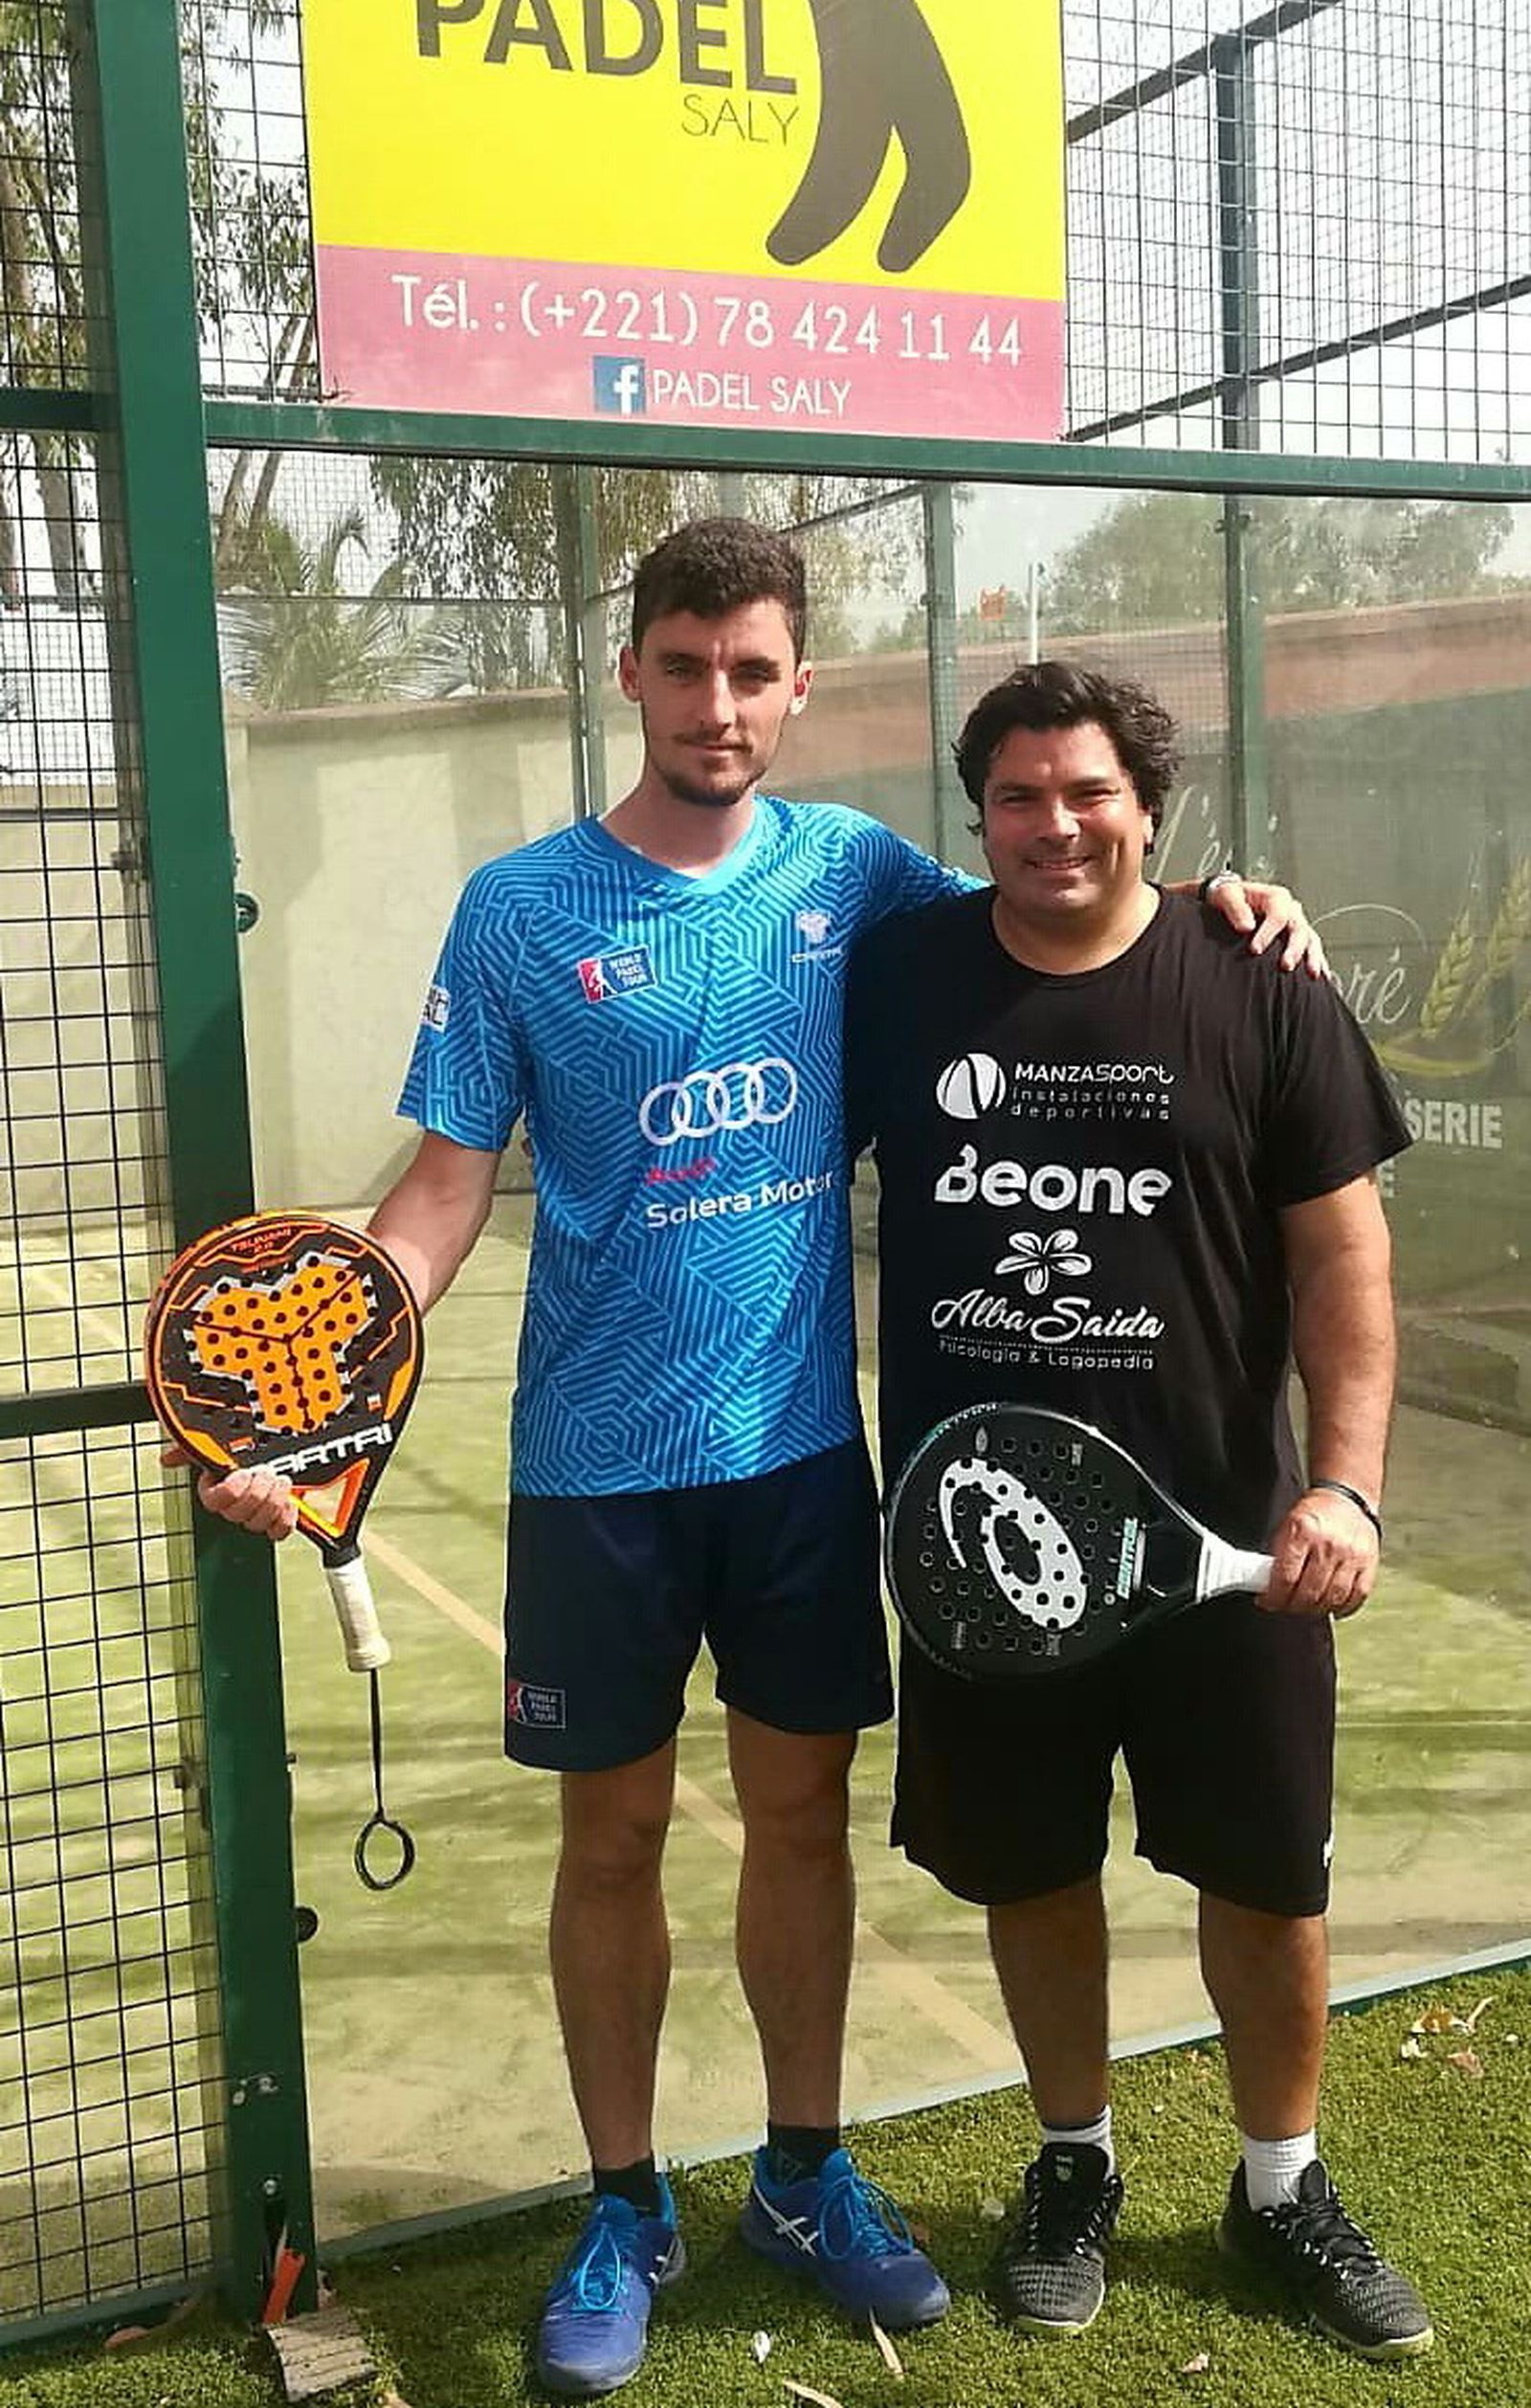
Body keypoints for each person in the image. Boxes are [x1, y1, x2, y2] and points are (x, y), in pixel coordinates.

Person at [169, 527, 1319, 2398]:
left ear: (796, 688)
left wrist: (1222, 900)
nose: (718, 702)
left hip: (800, 1462)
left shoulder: (859, 874)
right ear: (630, 671)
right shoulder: (520, 909)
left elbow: (1058, 905)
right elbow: (443, 1188)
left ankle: (797, 2168)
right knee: (608, 1834)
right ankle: (622, 2197)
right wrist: (315, 1397)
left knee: (797, 1824)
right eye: (685, 664)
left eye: (752, 670)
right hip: (594, 1478)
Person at [845, 658, 1432, 2365]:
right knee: (1031, 1869)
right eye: (1017, 796)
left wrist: (1348, 1483)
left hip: (1232, 1555)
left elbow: (1344, 1257)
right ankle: (1072, 2162)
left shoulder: (1261, 980)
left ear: (1149, 811)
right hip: (981, 1542)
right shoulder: (901, 979)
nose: (1053, 822)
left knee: (1265, 1879)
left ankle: (1280, 2185)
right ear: (979, 822)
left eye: (1086, 790)